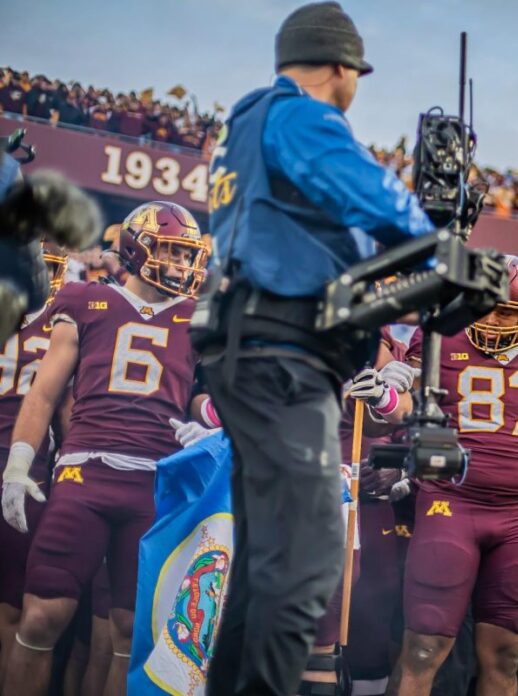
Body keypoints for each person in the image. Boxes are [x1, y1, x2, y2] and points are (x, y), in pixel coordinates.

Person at [200, 3, 436, 694]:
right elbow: (391, 209)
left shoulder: (246, 123)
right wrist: (436, 238)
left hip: (248, 349)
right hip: (280, 355)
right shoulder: (301, 114)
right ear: (342, 67)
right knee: (306, 559)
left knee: (264, 566)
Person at [1, 202, 206, 696]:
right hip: (84, 473)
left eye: (187, 256)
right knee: (41, 616)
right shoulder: (84, 299)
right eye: (173, 253)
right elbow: (45, 392)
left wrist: (209, 420)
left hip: (157, 485)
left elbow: (213, 394)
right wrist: (19, 463)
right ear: (138, 248)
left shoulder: (200, 318)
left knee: (129, 636)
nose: (182, 266)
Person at [390, 255, 518, 696]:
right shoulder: (441, 341)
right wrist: (387, 394)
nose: (494, 321)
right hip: (449, 504)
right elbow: (400, 412)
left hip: (517, 517)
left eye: (508, 312)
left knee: (505, 659)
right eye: (486, 307)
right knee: (422, 650)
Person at [0, 245, 65, 686]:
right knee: (12, 610)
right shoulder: (64, 323)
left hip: (25, 465)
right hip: (28, 466)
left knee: (13, 607)